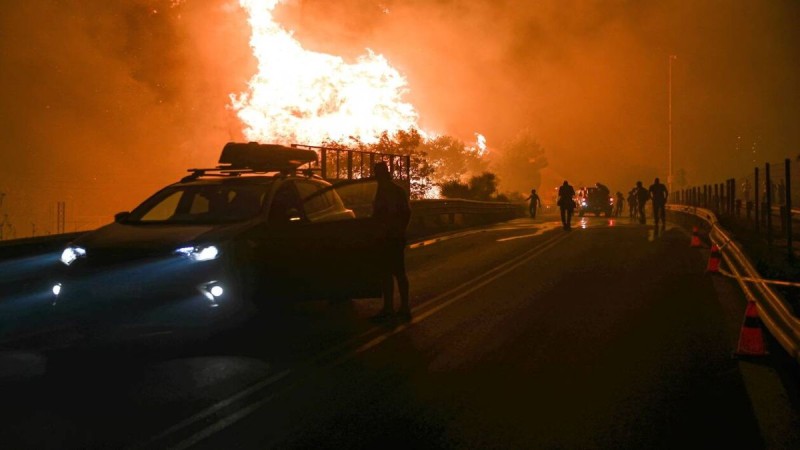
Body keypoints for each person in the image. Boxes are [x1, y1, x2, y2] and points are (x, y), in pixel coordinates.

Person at [372, 161, 411, 320]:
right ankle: (389, 308)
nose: (376, 176)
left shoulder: (394, 191)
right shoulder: (380, 190)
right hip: (385, 238)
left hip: (393, 238)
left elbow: (406, 213)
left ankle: (403, 308)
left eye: (378, 173)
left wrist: (399, 231)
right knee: (387, 273)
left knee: (397, 273)